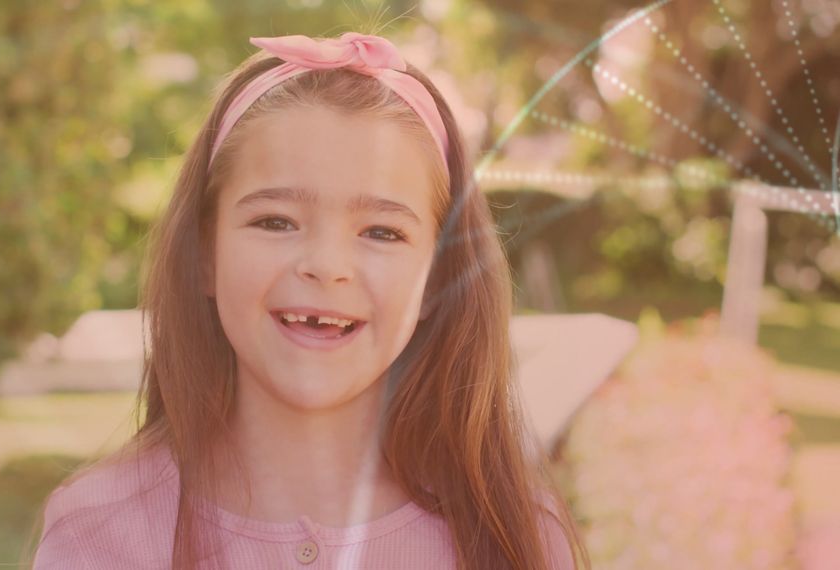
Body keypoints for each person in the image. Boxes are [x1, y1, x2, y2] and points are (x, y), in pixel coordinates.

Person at [31, 31, 588, 570]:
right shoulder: (100, 530)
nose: (326, 265)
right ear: (205, 254)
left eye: (381, 232)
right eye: (275, 221)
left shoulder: (512, 539)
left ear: (437, 279)